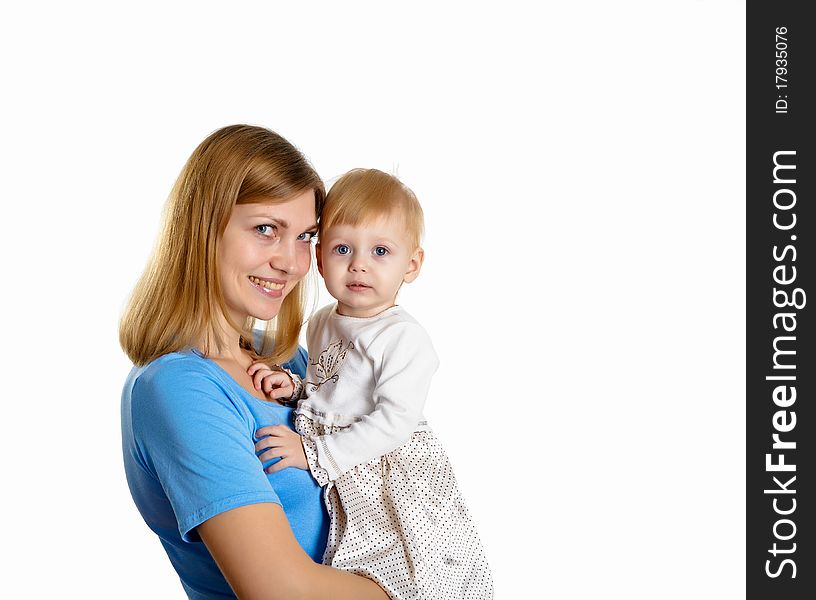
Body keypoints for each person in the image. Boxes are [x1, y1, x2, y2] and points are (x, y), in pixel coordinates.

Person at [119, 125, 388, 600]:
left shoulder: (292, 364)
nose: (292, 262)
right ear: (203, 229)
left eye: (306, 235)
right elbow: (279, 592)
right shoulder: (179, 389)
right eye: (267, 229)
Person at [249, 169, 493, 600]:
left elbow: (394, 422)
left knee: (411, 566)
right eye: (343, 248)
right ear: (321, 258)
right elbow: (331, 388)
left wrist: (314, 453)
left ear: (411, 265)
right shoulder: (323, 322)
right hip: (348, 466)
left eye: (381, 251)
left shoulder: (403, 337)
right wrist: (294, 388)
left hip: (388, 469)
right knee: (349, 561)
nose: (358, 264)